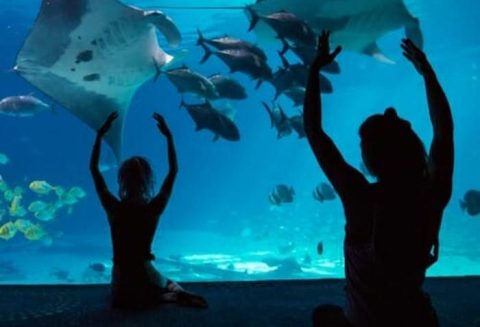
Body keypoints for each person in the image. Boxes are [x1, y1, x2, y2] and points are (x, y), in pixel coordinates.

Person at [304, 31, 453, 326]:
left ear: (370, 162)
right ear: (413, 149)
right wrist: (427, 74)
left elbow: (314, 131)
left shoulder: (360, 198)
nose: (391, 110)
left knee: (323, 315)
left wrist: (314, 70)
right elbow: (444, 131)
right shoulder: (432, 194)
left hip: (365, 321)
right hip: (416, 319)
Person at [90, 111, 208, 310]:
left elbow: (94, 169)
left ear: (121, 180)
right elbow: (173, 171)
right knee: (167, 281)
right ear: (148, 180)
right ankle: (174, 294)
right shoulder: (154, 207)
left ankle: (161, 298)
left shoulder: (114, 207)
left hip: (121, 282)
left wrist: (100, 135)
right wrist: (169, 137)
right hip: (146, 274)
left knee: (122, 299)